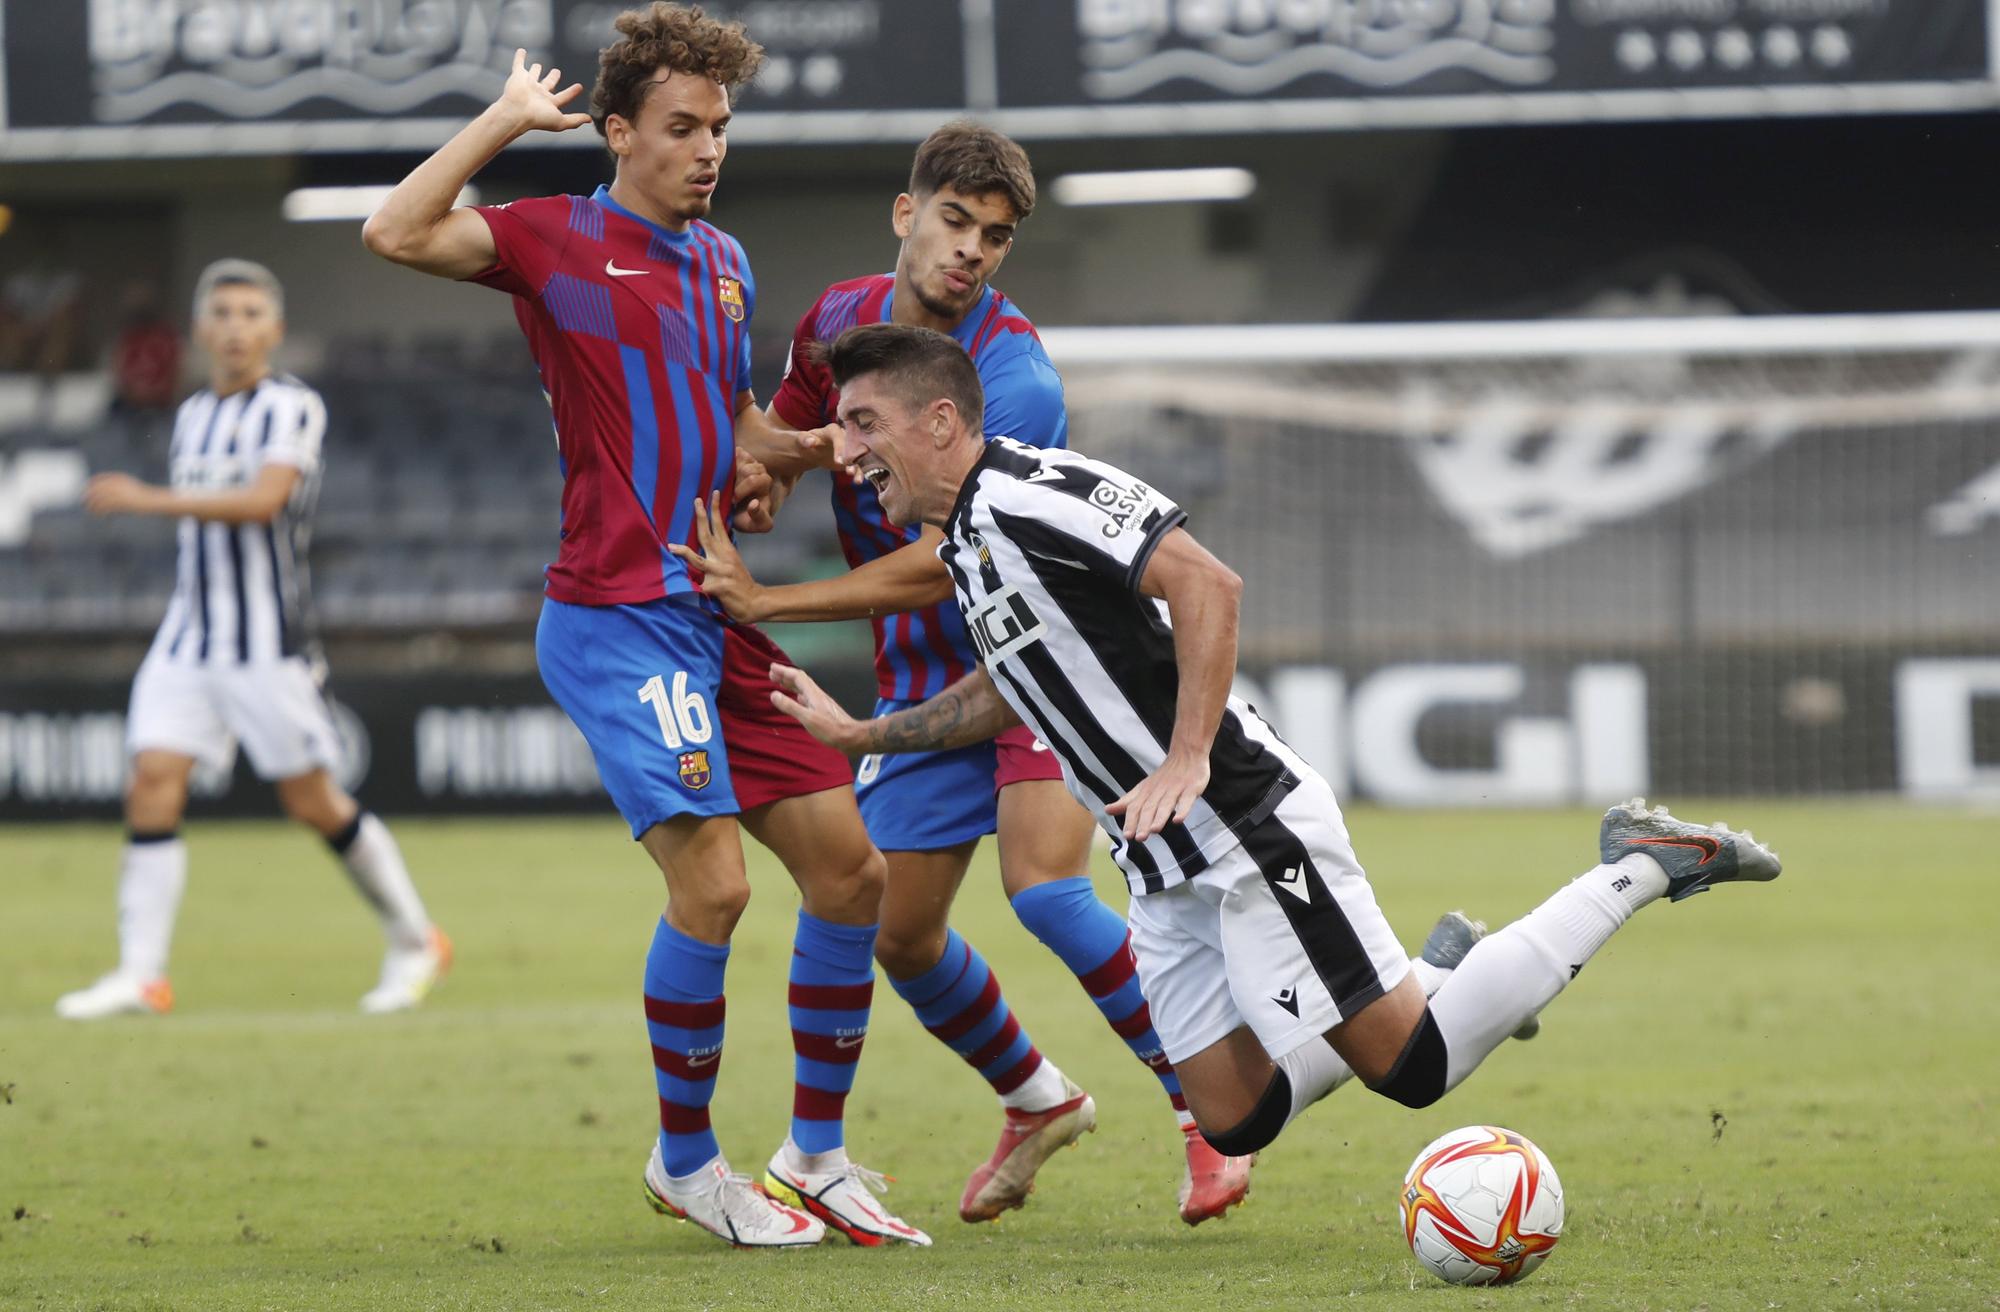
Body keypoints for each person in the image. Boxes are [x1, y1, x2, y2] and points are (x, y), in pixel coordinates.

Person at [756, 322, 1785, 1166]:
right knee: (1231, 1114)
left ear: (939, 421)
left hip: (1240, 821)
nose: (839, 451)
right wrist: (862, 732)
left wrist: (1187, 755)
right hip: (1158, 862)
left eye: (860, 423)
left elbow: (1206, 582)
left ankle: (1641, 864)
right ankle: (1429, 970)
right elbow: (1015, 686)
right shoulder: (969, 539)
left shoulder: (1037, 493)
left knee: (1412, 1070)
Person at [361, 5, 925, 1249]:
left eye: (719, 126)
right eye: (680, 127)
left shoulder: (723, 265)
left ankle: (816, 1158)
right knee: (714, 886)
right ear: (615, 133)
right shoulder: (556, 238)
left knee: (850, 870)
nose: (706, 148)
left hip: (714, 614)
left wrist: (802, 449)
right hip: (616, 617)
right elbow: (391, 229)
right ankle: (685, 1163)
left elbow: (718, 420)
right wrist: (505, 122)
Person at [679, 121, 1251, 1225]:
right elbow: (803, 433)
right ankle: (1034, 1096)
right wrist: (767, 486)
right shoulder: (837, 320)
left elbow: (948, 563)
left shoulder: (1011, 380)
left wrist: (772, 600)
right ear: (907, 214)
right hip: (916, 682)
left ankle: (1203, 1115)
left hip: (1033, 658)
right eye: (954, 222)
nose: (970, 252)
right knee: (895, 931)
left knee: (1044, 889)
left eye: (993, 237)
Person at [57, 259, 451, 1020]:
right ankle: (142, 974)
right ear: (202, 331)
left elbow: (266, 500)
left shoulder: (290, 408)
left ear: (273, 329)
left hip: (266, 641)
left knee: (311, 800)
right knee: (151, 778)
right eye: (223, 315)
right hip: (188, 636)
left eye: (251, 315)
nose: (236, 328)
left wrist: (147, 499)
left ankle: (415, 939)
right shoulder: (194, 412)